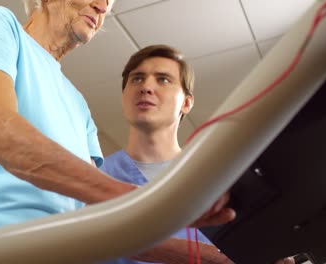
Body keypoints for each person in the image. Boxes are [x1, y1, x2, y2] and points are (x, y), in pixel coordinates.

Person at [0, 0, 235, 261]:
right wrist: (156, 207)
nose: (103, 7)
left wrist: (206, 255)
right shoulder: (0, 25)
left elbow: (100, 223)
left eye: (109, 2)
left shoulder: (78, 105)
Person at [100, 45, 296, 264]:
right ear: (124, 95)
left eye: (163, 79)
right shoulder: (95, 178)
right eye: (136, 79)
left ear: (186, 102)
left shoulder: (223, 179)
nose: (146, 87)